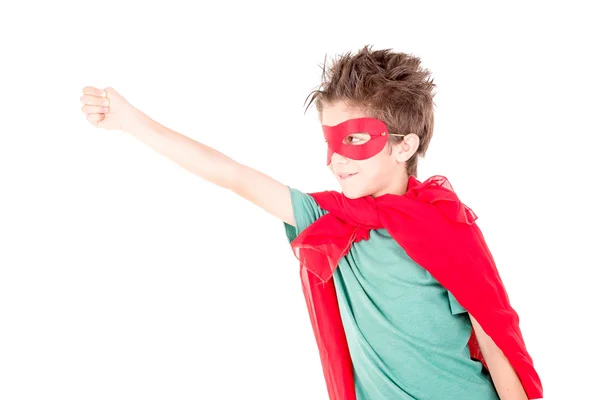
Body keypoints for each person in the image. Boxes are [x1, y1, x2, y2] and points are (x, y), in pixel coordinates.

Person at [79, 45, 542, 400]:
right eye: (331, 141)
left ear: (404, 146)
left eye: (356, 139)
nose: (338, 158)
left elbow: (493, 334)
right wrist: (131, 121)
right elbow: (233, 176)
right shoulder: (331, 222)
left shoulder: (447, 230)